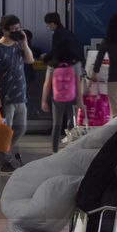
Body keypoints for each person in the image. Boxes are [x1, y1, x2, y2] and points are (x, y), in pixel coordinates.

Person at [0, 14, 33, 173]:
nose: (17, 32)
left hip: (20, 94)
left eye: (19, 29)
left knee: (21, 128)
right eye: (13, 30)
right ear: (4, 31)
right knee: (5, 130)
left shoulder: (18, 45)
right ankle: (4, 161)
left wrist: (24, 43)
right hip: (5, 97)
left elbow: (29, 60)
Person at [42, 19, 82, 152]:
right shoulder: (75, 63)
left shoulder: (53, 64)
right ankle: (71, 149)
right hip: (72, 96)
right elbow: (78, 82)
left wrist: (44, 101)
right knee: (72, 123)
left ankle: (54, 151)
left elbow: (47, 84)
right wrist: (80, 99)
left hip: (57, 98)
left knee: (57, 125)